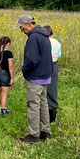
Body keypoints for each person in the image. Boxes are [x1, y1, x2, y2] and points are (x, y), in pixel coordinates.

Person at [15, 14, 52, 143]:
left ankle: (34, 134)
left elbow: (32, 60)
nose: (22, 31)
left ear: (28, 24)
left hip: (36, 76)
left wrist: (24, 69)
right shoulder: (44, 35)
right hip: (45, 75)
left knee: (33, 105)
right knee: (43, 103)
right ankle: (45, 131)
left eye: (22, 28)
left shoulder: (33, 37)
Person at [44, 25, 61, 123]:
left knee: (44, 90)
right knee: (53, 89)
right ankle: (53, 115)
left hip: (44, 65)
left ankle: (45, 114)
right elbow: (59, 55)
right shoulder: (57, 42)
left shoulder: (43, 42)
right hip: (54, 65)